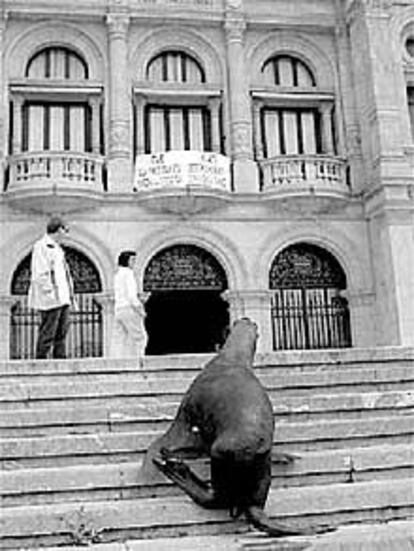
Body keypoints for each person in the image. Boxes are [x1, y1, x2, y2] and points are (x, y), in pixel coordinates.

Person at [28, 216, 75, 359]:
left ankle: (60, 359)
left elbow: (64, 274)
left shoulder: (57, 248)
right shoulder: (42, 246)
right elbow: (40, 273)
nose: (66, 234)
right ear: (59, 229)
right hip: (52, 297)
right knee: (48, 331)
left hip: (62, 296)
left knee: (61, 332)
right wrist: (49, 292)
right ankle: (41, 360)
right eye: (65, 230)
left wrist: (69, 294)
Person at [112, 250, 148, 359]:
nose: (134, 263)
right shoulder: (128, 274)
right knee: (140, 337)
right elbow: (131, 296)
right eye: (132, 260)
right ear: (126, 261)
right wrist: (140, 310)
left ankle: (118, 361)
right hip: (129, 309)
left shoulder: (117, 275)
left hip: (118, 309)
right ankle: (139, 360)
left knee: (120, 338)